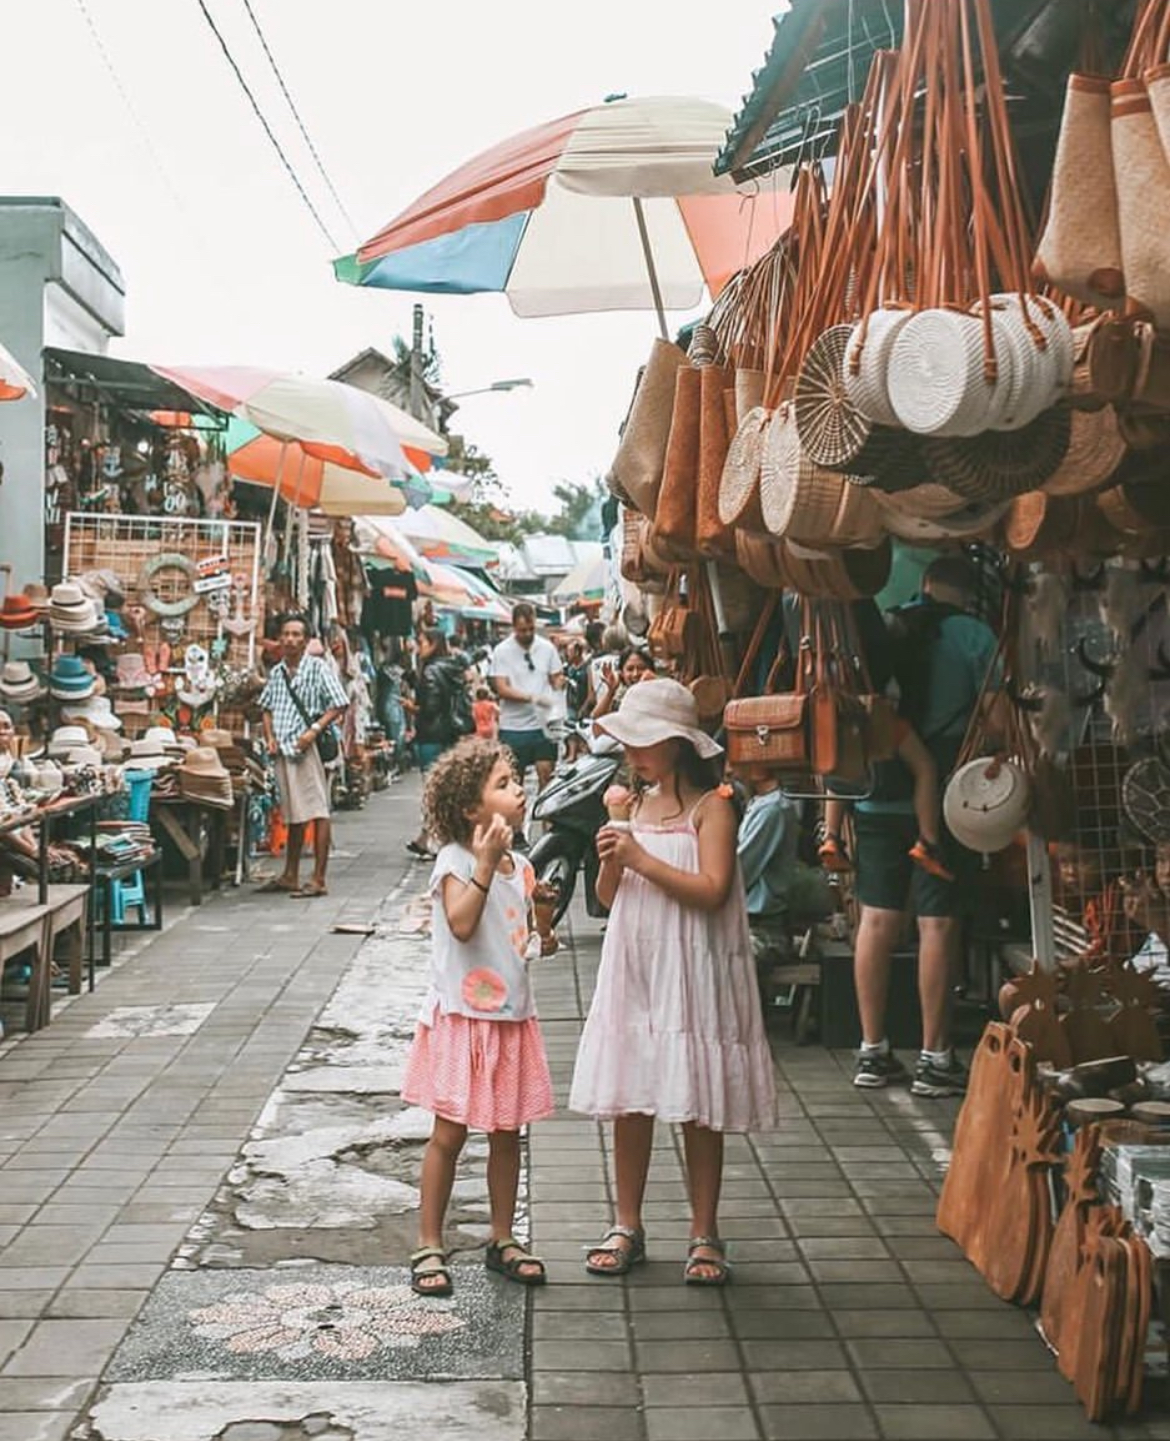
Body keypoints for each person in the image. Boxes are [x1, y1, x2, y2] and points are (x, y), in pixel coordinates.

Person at [569, 679, 776, 1285]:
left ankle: (704, 1231)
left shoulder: (713, 807)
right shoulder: (633, 804)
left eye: (646, 741)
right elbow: (610, 898)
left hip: (690, 965)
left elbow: (712, 890)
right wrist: (612, 859)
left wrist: (640, 858)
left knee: (697, 1103)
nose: (633, 753)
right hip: (636, 963)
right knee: (631, 1097)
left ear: (679, 744)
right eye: (629, 742)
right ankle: (626, 1223)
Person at [402, 737, 555, 1296]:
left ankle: (502, 1237)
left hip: (510, 1017)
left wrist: (544, 927)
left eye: (516, 781)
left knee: (507, 1132)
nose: (519, 790)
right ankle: (429, 1241)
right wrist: (486, 865)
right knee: (449, 1133)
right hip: (462, 1018)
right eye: (504, 784)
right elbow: (463, 924)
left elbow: (526, 940)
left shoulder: (523, 867)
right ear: (471, 808)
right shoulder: (455, 860)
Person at [849, 555, 999, 1095]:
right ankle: (935, 1059)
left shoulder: (889, 626)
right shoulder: (975, 636)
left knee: (876, 921)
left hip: (874, 796)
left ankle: (873, 1051)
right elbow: (999, 722)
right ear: (967, 590)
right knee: (937, 926)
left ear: (927, 584)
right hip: (943, 803)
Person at [257, 614, 349, 899]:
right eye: (286, 634)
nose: (290, 639)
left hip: (307, 749)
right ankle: (291, 875)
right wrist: (270, 737)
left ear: (307, 640)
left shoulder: (317, 668)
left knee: (317, 811)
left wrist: (314, 730)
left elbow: (340, 703)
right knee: (294, 812)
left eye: (296, 634)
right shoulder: (278, 672)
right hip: (284, 749)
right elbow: (266, 706)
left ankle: (319, 878)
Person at [407, 628, 474, 858]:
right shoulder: (453, 667)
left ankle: (436, 841)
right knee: (443, 787)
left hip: (431, 734)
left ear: (433, 644)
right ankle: (426, 838)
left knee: (432, 788)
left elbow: (431, 707)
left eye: (422, 642)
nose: (418, 648)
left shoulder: (430, 671)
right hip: (451, 733)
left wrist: (413, 708)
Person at [489, 603, 565, 793]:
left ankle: (545, 811)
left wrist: (558, 686)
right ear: (514, 627)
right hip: (513, 727)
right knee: (514, 782)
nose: (528, 634)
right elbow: (502, 688)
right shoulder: (502, 651)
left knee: (547, 776)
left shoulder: (547, 648)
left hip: (543, 725)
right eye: (522, 630)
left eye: (531, 629)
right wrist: (532, 698)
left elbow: (556, 676)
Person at [737, 765, 800, 968]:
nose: (729, 770)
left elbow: (739, 873)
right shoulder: (759, 803)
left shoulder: (773, 809)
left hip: (763, 931)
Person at [589, 646, 654, 722]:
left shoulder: (659, 694)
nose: (635, 674)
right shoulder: (621, 696)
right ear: (622, 673)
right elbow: (596, 717)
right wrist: (611, 691)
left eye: (641, 668)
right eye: (630, 669)